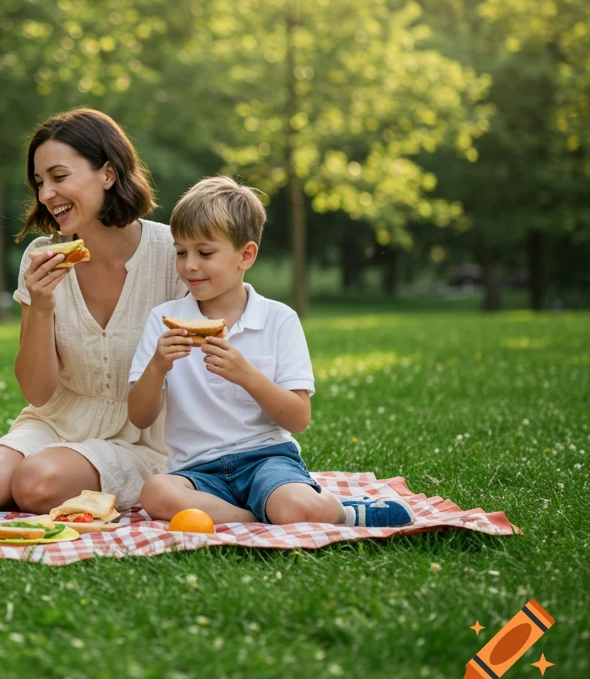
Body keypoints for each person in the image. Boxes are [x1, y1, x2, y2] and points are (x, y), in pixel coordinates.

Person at [130, 176, 415, 527]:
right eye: (180, 252)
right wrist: (157, 365)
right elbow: (140, 418)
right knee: (155, 493)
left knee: (296, 505)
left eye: (204, 253)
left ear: (245, 255)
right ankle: (263, 516)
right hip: (196, 471)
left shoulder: (279, 319)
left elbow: (298, 419)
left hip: (267, 459)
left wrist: (246, 374)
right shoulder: (163, 321)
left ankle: (343, 511)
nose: (189, 265)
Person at [0, 108, 187, 512]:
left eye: (59, 176)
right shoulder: (41, 258)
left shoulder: (173, 254)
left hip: (143, 433)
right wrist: (41, 305)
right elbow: (37, 391)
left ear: (108, 174)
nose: (46, 194)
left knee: (35, 483)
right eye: (39, 182)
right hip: (59, 417)